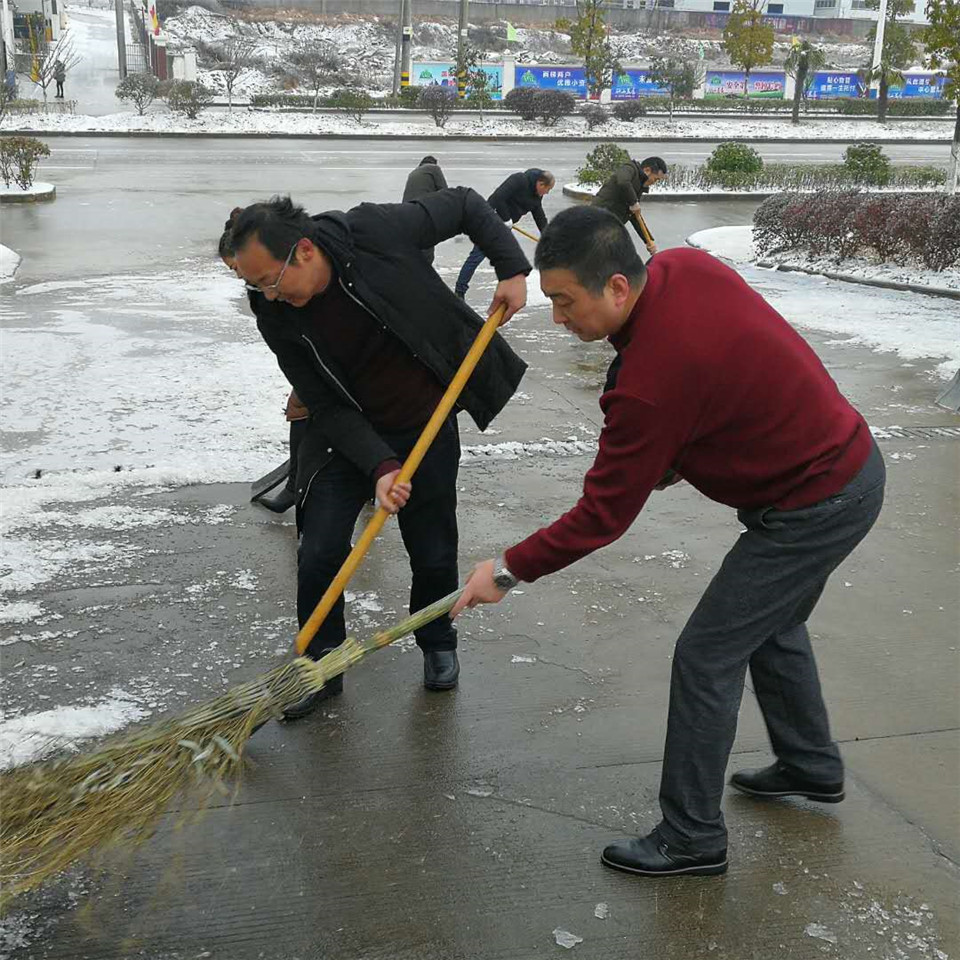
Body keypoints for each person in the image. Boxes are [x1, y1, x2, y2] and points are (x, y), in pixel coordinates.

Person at [452, 206, 884, 878]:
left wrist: (506, 570)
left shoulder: (655, 382)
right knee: (769, 624)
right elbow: (727, 365)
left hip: (817, 499)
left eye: (565, 302)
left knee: (707, 654)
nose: (559, 320)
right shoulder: (683, 266)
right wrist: (678, 446)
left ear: (617, 288)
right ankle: (811, 763)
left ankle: (691, 837)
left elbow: (602, 516)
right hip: (841, 462)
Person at [230, 190, 530, 718]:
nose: (267, 296)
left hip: (423, 419)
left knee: (433, 544)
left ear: (302, 251)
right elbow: (320, 397)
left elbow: (462, 206)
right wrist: (380, 465)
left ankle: (437, 642)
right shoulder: (272, 312)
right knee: (319, 548)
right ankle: (320, 666)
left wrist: (511, 268)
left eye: (268, 281)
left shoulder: (371, 233)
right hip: (340, 431)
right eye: (254, 286)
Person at [220, 212, 304, 514]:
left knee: (303, 407)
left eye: (236, 268)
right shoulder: (261, 284)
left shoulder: (276, 279)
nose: (238, 276)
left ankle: (297, 485)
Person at [455, 168, 554, 300]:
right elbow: (496, 198)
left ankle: (506, 293)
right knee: (476, 257)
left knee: (508, 259)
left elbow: (539, 216)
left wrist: (548, 237)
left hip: (504, 228)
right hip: (490, 222)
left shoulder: (536, 196)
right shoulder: (519, 180)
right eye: (548, 189)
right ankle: (459, 292)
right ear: (541, 184)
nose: (547, 193)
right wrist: (505, 217)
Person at [593, 156, 667, 257]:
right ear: (647, 170)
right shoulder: (630, 168)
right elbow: (623, 181)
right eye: (656, 179)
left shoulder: (639, 186)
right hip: (598, 222)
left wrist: (648, 240)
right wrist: (634, 202)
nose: (654, 183)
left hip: (611, 228)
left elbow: (634, 215)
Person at [402, 156, 449, 264]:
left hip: (406, 213)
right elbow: (445, 192)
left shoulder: (413, 173)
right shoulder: (434, 168)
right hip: (422, 214)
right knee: (427, 250)